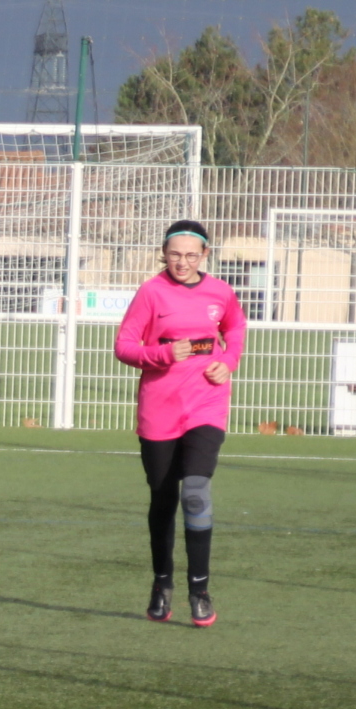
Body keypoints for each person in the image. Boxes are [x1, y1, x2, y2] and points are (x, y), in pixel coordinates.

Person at [114, 219, 246, 628]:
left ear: (205, 254)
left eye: (191, 255)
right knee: (162, 497)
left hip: (206, 403)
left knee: (196, 490)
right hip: (160, 408)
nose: (183, 262)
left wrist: (228, 361)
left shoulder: (220, 292)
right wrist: (164, 355)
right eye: (175, 254)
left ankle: (200, 591)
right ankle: (162, 583)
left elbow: (235, 327)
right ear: (164, 253)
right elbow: (124, 346)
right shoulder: (151, 292)